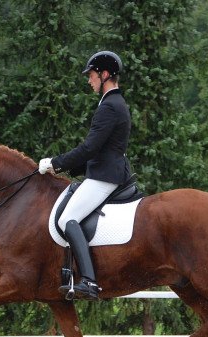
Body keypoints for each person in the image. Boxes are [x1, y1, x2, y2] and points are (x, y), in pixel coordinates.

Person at [39, 51, 132, 300]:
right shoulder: (112, 103)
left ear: (104, 75)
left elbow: (90, 148)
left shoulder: (110, 106)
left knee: (68, 218)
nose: (88, 80)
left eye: (91, 75)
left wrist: (55, 164)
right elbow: (99, 150)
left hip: (105, 177)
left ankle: (89, 281)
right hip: (105, 171)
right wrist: (72, 168)